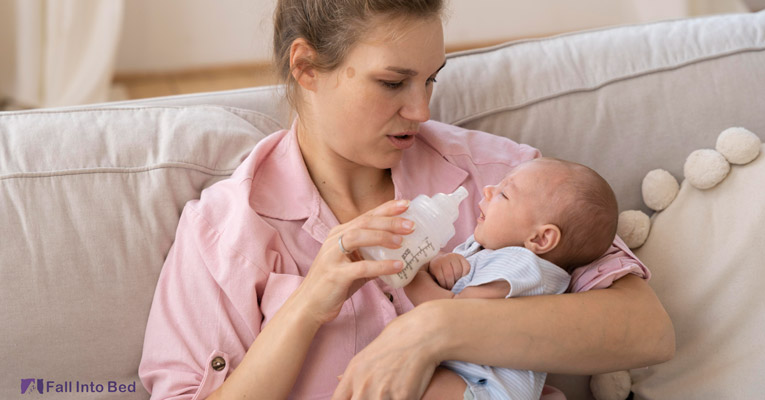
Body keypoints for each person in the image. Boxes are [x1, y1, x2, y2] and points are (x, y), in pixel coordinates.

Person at [138, 1, 675, 399]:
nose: (420, 109)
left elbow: (645, 330)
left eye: (430, 80)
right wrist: (305, 306)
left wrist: (432, 330)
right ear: (306, 67)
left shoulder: (503, 181)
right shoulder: (225, 230)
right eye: (393, 83)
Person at [403, 157, 620, 400]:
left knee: (406, 385)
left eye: (504, 194)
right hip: (464, 378)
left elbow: (455, 315)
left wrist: (412, 277)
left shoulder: (524, 265)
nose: (488, 189)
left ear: (540, 239)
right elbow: (458, 282)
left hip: (483, 388)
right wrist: (438, 261)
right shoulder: (489, 249)